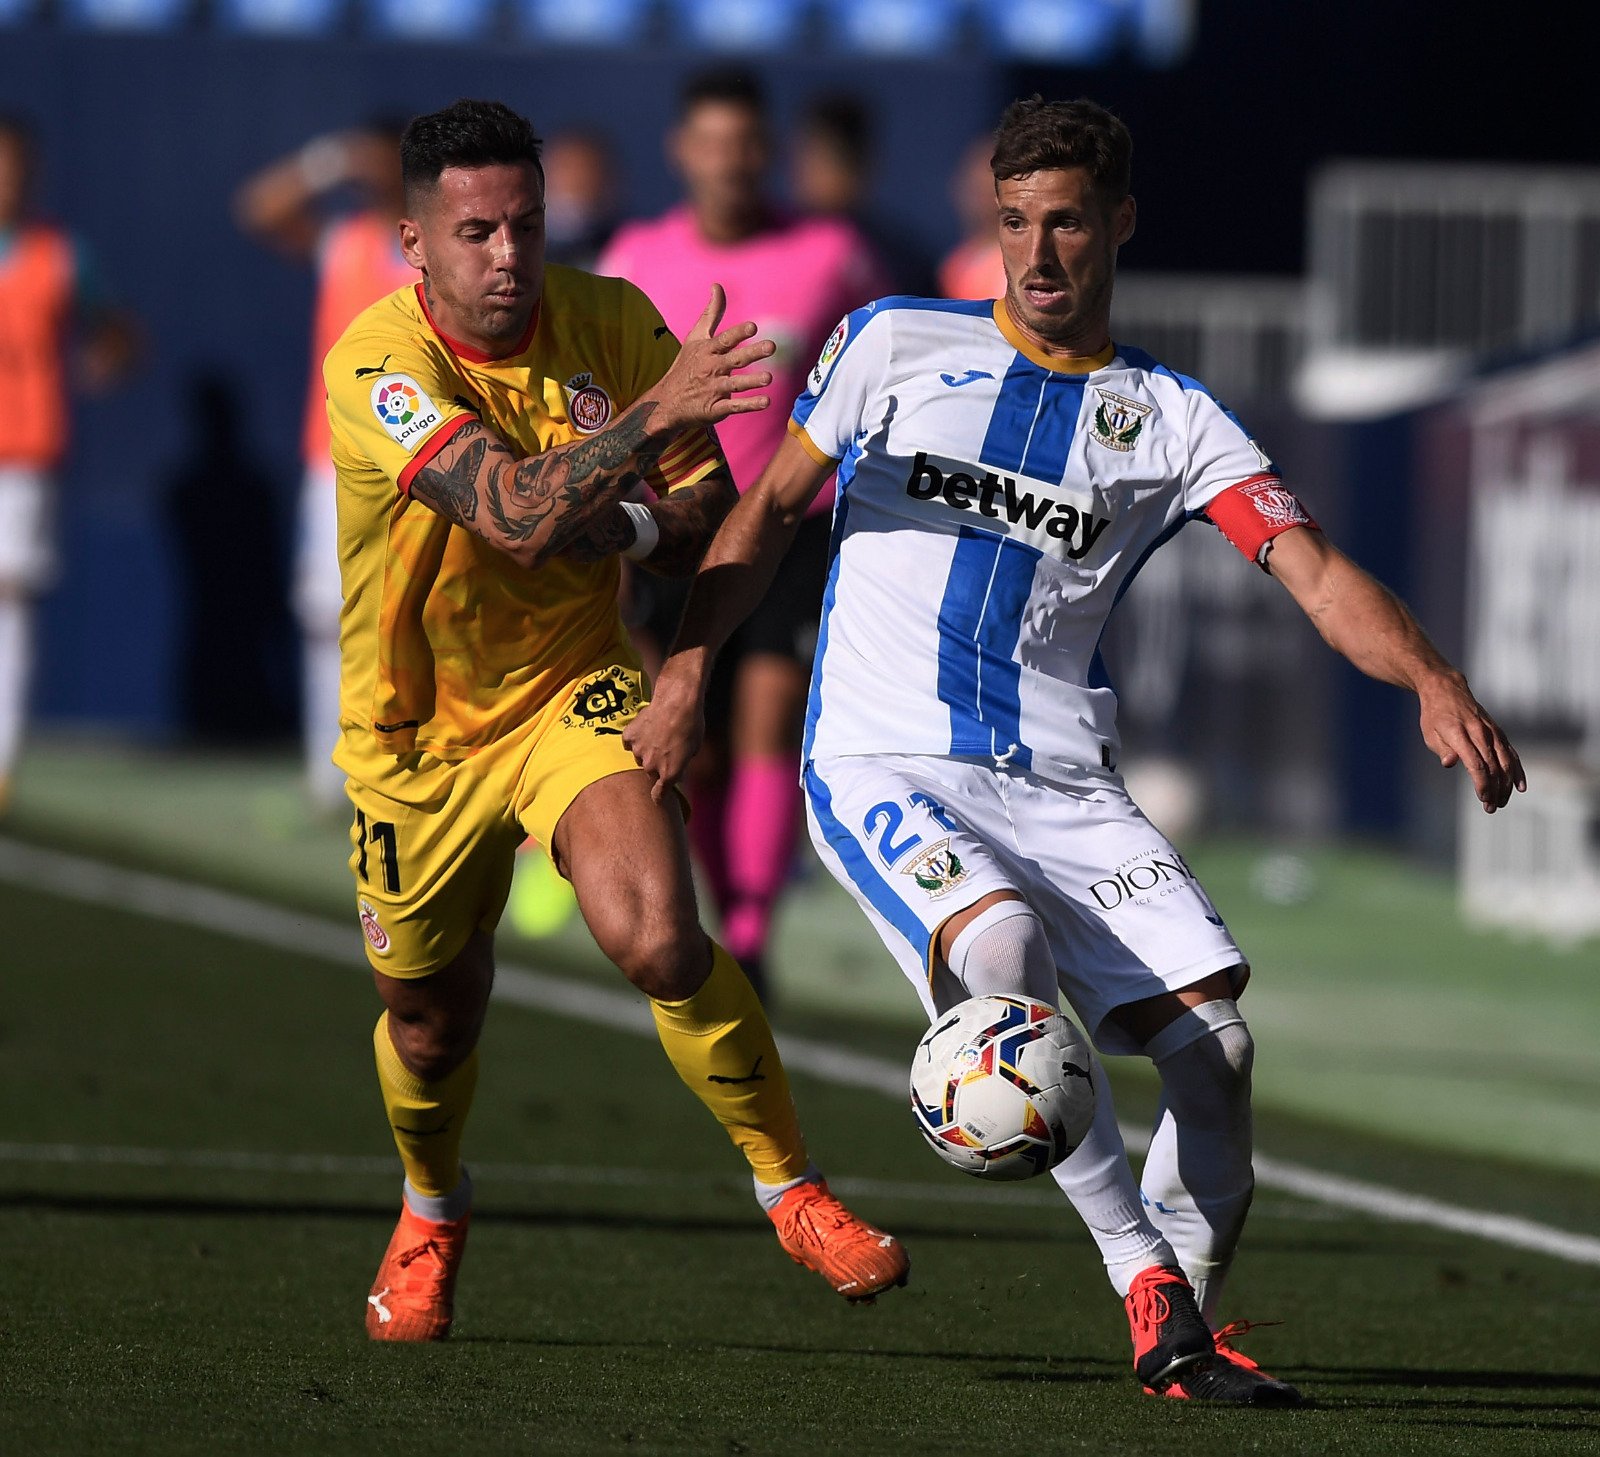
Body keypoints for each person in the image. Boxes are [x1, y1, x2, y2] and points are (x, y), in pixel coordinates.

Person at [626, 97, 1526, 1405]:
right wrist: (691, 671)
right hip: (885, 759)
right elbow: (764, 513)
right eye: (1012, 225)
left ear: (1119, 225)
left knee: (1218, 1051)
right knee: (1000, 957)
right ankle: (1142, 1276)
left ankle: (1183, 1341)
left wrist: (1436, 678)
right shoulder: (890, 343)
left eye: (1064, 226)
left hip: (1060, 781)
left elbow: (1317, 574)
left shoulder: (1170, 416)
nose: (1037, 255)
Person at [322, 98, 908, 1342]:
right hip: (415, 733)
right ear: (414, 242)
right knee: (429, 1020)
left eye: (524, 225)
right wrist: (642, 435)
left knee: (654, 935)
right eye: (473, 232)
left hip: (571, 683)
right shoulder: (378, 367)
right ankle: (430, 1204)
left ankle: (792, 1184)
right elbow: (514, 515)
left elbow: (703, 503)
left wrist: (636, 520)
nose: (505, 257)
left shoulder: (615, 321)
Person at [598, 70, 889, 999]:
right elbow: (590, 401)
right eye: (711, 142)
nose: (729, 161)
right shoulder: (636, 257)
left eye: (745, 143)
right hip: (670, 528)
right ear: (682, 151)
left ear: (769, 152)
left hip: (788, 525)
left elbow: (888, 369)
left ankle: (756, 929)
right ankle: (730, 913)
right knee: (699, 745)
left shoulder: (832, 254)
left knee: (773, 705)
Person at [235, 123, 416, 811]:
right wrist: (326, 158)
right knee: (325, 612)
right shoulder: (342, 241)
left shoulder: (432, 248)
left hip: (424, 458)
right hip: (335, 457)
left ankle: (401, 769)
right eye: (364, 161)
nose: (372, 173)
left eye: (385, 160)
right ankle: (329, 773)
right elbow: (257, 210)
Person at [0, 114, 137, 815]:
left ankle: (3, 756)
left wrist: (104, 360)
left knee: (9, 593)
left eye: (17, 165)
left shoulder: (59, 253)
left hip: (22, 449)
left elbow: (115, 327)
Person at [938, 134, 1006, 301]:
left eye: (986, 190)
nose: (978, 200)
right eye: (974, 187)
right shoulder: (954, 264)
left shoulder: (1014, 266)